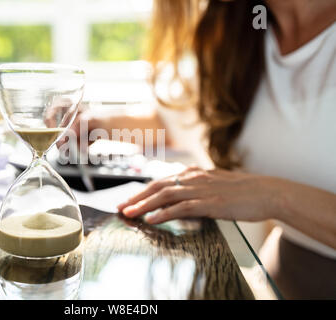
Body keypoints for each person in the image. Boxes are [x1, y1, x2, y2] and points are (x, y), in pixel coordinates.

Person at [72, 0, 336, 299]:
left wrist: (274, 197)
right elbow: (180, 119)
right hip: (275, 282)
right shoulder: (245, 31)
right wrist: (98, 124)